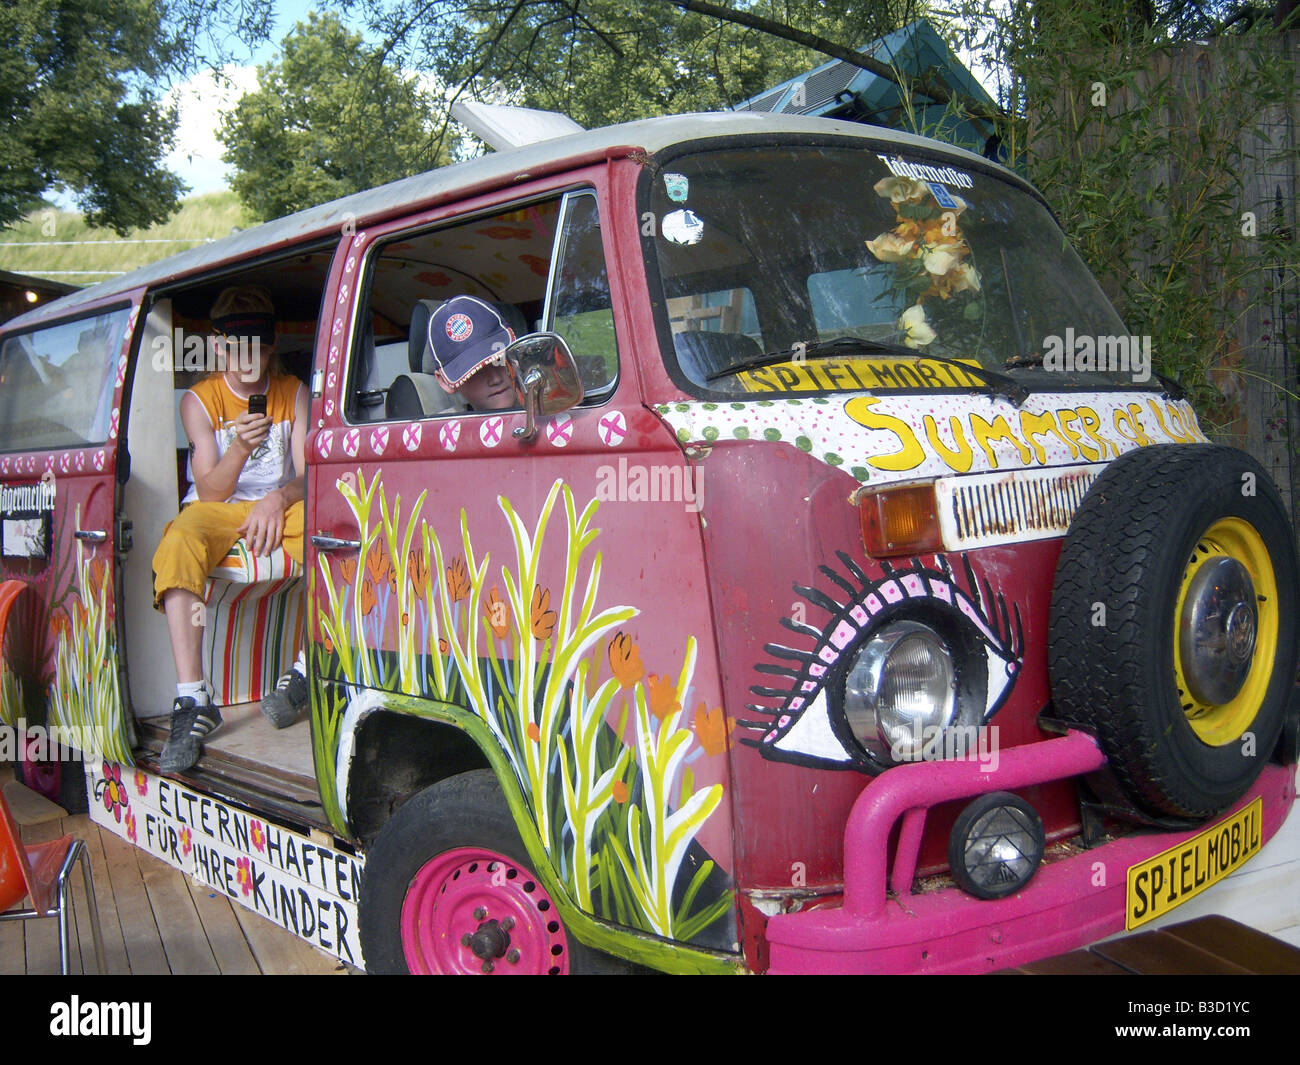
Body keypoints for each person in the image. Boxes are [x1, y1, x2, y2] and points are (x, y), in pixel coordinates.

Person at [152, 286, 309, 773]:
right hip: (218, 510)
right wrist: (240, 447)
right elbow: (212, 493)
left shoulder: (294, 392)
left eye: (260, 348)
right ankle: (193, 697)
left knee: (341, 519)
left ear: (272, 345)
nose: (250, 360)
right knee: (180, 536)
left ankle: (308, 667)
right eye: (238, 349)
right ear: (218, 346)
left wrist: (277, 497)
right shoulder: (199, 402)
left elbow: (308, 475)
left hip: (278, 506)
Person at [427, 296, 520, 411]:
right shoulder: (443, 427)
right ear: (444, 381)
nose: (496, 379)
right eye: (475, 371)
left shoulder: (546, 411)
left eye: (500, 361)